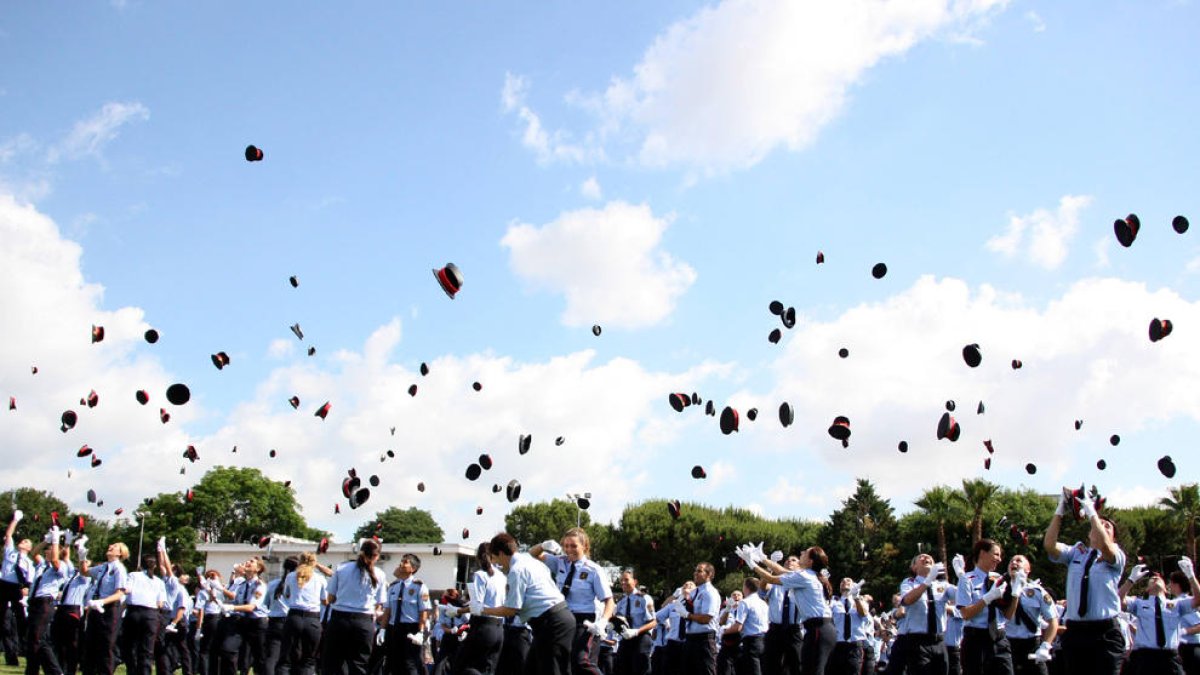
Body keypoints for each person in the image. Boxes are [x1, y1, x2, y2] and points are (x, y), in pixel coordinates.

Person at [1043, 488, 1126, 675]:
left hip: (1104, 632)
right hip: (1076, 632)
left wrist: (1092, 512)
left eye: (1107, 527)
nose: (1101, 526)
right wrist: (1059, 511)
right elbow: (1049, 545)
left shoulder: (1116, 555)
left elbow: (1105, 545)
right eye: (1099, 524)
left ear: (1113, 537)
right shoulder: (1076, 552)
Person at [480, 532, 574, 675]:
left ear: (500, 553)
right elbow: (532, 552)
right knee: (531, 669)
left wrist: (482, 609)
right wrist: (542, 545)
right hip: (558, 619)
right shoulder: (529, 560)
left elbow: (511, 610)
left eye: (494, 558)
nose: (495, 563)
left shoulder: (517, 571)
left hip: (551, 623)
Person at [741, 544, 835, 675]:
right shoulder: (808, 574)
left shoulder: (805, 576)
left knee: (812, 670)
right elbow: (780, 570)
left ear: (810, 561)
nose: (801, 552)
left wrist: (751, 562)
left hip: (818, 627)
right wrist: (762, 557)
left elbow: (771, 578)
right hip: (820, 627)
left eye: (805, 553)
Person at [531, 529, 615, 675]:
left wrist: (602, 622)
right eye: (566, 545)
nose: (569, 549)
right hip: (561, 619)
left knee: (581, 661)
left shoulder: (593, 570)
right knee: (560, 663)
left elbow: (609, 601)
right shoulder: (560, 562)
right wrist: (544, 545)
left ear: (585, 546)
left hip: (583, 621)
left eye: (574, 546)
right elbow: (533, 554)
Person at [1118, 558, 1200, 675]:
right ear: (1147, 589)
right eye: (1151, 579)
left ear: (1166, 589)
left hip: (1170, 657)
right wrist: (1130, 580)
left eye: (1159, 578)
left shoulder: (1177, 604)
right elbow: (1117, 601)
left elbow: (1198, 600)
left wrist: (1191, 576)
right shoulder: (1139, 604)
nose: (1155, 578)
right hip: (1146, 658)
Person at [323, 540, 387, 675]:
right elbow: (379, 603)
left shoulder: (342, 568)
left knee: (334, 662)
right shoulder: (380, 574)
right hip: (364, 621)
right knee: (359, 663)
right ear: (377, 556)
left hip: (340, 618)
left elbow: (331, 598)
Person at [955, 539, 1016, 675]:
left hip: (999, 639)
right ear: (982, 553)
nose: (999, 559)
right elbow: (965, 613)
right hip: (977, 641)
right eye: (996, 555)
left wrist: (1015, 593)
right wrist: (988, 598)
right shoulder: (967, 579)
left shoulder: (998, 579)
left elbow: (1008, 615)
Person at [26, 523, 73, 675]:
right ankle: (32, 670)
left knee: (39, 639)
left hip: (45, 603)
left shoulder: (61, 566)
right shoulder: (42, 565)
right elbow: (33, 552)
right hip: (34, 604)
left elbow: (54, 560)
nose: (47, 551)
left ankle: (55, 671)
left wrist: (56, 540)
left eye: (51, 549)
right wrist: (46, 541)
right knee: (33, 640)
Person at [1003, 556, 1057, 675]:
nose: (1014, 563)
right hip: (1008, 645)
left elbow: (1053, 621)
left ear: (1028, 569)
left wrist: (1045, 646)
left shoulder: (1037, 592)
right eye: (1011, 561)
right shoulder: (1000, 589)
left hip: (1032, 645)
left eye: (1019, 561)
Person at [83, 541, 130, 675]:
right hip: (96, 608)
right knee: (90, 646)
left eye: (114, 547)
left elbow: (120, 593)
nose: (110, 547)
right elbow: (85, 572)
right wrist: (82, 557)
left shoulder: (119, 569)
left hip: (108, 610)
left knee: (106, 648)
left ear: (120, 553)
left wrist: (102, 601)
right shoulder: (103, 567)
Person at [898, 553, 950, 675]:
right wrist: (927, 582)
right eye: (921, 558)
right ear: (914, 567)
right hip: (918, 642)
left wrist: (962, 575)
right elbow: (908, 600)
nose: (926, 558)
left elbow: (962, 597)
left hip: (939, 641)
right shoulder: (909, 583)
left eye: (930, 558)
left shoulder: (942, 585)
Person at [380, 553, 430, 675]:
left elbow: (423, 611)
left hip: (410, 629)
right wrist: (382, 629)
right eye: (401, 561)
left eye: (405, 562)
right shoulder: (393, 586)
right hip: (393, 629)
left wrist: (421, 632)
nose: (401, 564)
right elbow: (388, 610)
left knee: (409, 664)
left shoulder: (419, 587)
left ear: (413, 568)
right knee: (392, 663)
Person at [218, 557, 268, 675]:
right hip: (242, 621)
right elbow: (235, 600)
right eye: (247, 561)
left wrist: (232, 608)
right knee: (227, 649)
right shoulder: (241, 584)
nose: (247, 563)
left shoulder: (259, 585)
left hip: (257, 624)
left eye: (251, 562)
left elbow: (251, 607)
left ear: (258, 568)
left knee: (259, 658)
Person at [123, 547, 169, 675]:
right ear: (154, 566)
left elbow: (126, 590)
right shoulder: (159, 582)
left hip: (134, 612)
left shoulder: (133, 575)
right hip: (151, 615)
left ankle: (132, 671)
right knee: (147, 650)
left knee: (131, 646)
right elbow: (160, 603)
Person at [281, 552, 327, 675]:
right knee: (308, 660)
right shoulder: (320, 578)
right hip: (312, 619)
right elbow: (325, 600)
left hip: (294, 616)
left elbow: (287, 594)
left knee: (286, 658)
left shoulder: (291, 576)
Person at [54, 536, 91, 675]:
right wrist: (68, 543)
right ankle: (61, 668)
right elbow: (65, 557)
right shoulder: (71, 574)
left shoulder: (85, 577)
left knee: (72, 642)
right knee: (59, 640)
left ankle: (70, 670)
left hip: (73, 608)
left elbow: (83, 568)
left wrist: (81, 552)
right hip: (62, 608)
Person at [760, 554, 802, 675]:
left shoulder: (801, 584)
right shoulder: (775, 583)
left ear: (799, 566)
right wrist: (770, 568)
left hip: (793, 629)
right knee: (771, 665)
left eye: (793, 560)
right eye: (787, 560)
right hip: (775, 629)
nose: (789, 561)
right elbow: (763, 588)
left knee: (796, 664)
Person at [1, 509, 33, 667]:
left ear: (29, 548)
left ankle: (27, 650)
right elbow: (8, 535)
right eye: (23, 540)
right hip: (3, 584)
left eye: (27, 542)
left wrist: (25, 589)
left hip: (15, 588)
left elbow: (30, 582)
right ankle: (11, 656)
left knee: (21, 621)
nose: (23, 541)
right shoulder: (11, 552)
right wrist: (15, 520)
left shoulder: (28, 562)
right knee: (4, 624)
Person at [612, 569, 655, 675]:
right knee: (622, 668)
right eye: (621, 580)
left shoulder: (644, 598)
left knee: (640, 669)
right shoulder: (621, 601)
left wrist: (636, 631)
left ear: (635, 581)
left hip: (641, 638)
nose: (623, 583)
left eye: (626, 580)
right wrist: (612, 624)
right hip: (626, 639)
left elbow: (653, 622)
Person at [829, 576, 871, 675]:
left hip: (854, 645)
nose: (845, 582)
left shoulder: (861, 601)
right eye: (842, 581)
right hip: (837, 645)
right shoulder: (834, 602)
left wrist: (856, 598)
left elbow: (864, 614)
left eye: (848, 581)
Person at [263, 556, 297, 675]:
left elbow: (266, 603)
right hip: (289, 620)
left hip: (274, 621)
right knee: (287, 658)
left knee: (272, 656)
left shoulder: (272, 584)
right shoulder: (297, 585)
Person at [653, 582, 693, 675]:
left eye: (690, 586)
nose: (687, 586)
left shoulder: (696, 606)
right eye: (684, 586)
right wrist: (674, 596)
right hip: (673, 644)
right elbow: (658, 615)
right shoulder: (674, 605)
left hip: (689, 643)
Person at [732, 578, 768, 675]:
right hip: (765, 639)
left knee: (753, 670)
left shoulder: (745, 602)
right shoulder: (763, 603)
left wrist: (724, 631)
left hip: (752, 641)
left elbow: (738, 626)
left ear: (745, 587)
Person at [1169, 570, 1200, 675]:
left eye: (1170, 583)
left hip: (1191, 648)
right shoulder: (1175, 602)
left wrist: (1183, 631)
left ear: (1176, 585)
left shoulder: (1184, 602)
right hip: (1182, 648)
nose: (1169, 585)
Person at [195, 570, 225, 675]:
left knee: (205, 650)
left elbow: (199, 610)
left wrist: (198, 628)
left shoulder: (203, 592)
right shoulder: (222, 591)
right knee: (216, 650)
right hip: (221, 619)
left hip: (210, 620)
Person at [717, 590, 744, 675]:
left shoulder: (745, 609)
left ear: (742, 598)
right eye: (734, 595)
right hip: (726, 644)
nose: (736, 596)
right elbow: (720, 623)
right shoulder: (724, 611)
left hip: (742, 645)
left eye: (739, 595)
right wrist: (728, 609)